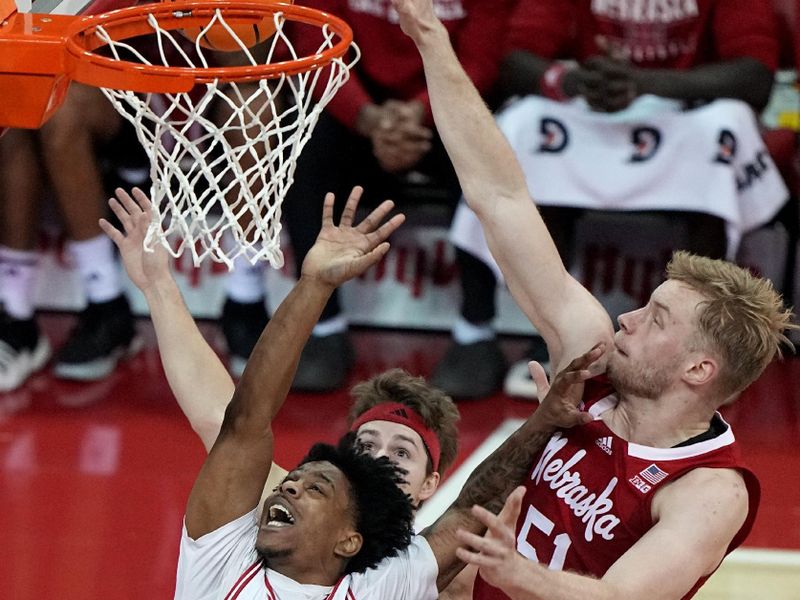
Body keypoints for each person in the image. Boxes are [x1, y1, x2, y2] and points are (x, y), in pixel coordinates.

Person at [391, 0, 795, 598]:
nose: (625, 317)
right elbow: (501, 198)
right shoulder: (594, 364)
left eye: (656, 319)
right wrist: (431, 40)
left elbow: (618, 597)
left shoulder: (710, 490)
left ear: (699, 368)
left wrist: (515, 571)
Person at [101, 184, 606, 598]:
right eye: (366, 447)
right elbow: (234, 418)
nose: (379, 458)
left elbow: (480, 499)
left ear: (431, 484)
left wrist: (544, 425)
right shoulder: (255, 521)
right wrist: (160, 288)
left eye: (401, 451)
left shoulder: (417, 575)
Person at [438, 0, 787, 400]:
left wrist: (642, 83)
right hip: (593, 106)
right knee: (518, 123)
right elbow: (516, 58)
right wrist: (573, 81)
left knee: (726, 124)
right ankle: (510, 332)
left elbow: (755, 77)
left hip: (686, 112)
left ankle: (695, 341)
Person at [219, 0, 515, 392]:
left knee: (483, 150)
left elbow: (481, 60)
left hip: (447, 102)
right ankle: (323, 327)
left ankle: (475, 332)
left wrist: (418, 114)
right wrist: (368, 118)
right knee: (303, 143)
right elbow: (314, 46)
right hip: (356, 105)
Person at [0, 83, 140, 393]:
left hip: (138, 94)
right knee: (11, 107)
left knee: (56, 106)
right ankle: (15, 316)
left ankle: (106, 300)